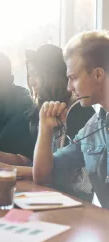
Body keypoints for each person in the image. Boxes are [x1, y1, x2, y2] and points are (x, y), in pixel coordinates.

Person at [0, 45, 95, 186]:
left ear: (55, 75)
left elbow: (57, 171)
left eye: (36, 74)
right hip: (46, 193)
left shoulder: (78, 113)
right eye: (29, 75)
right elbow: (28, 161)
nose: (31, 81)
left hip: (68, 198)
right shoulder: (42, 111)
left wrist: (12, 169)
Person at [33, 31, 109, 208]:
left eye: (73, 78)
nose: (69, 87)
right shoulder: (92, 130)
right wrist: (45, 128)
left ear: (98, 74)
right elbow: (43, 175)